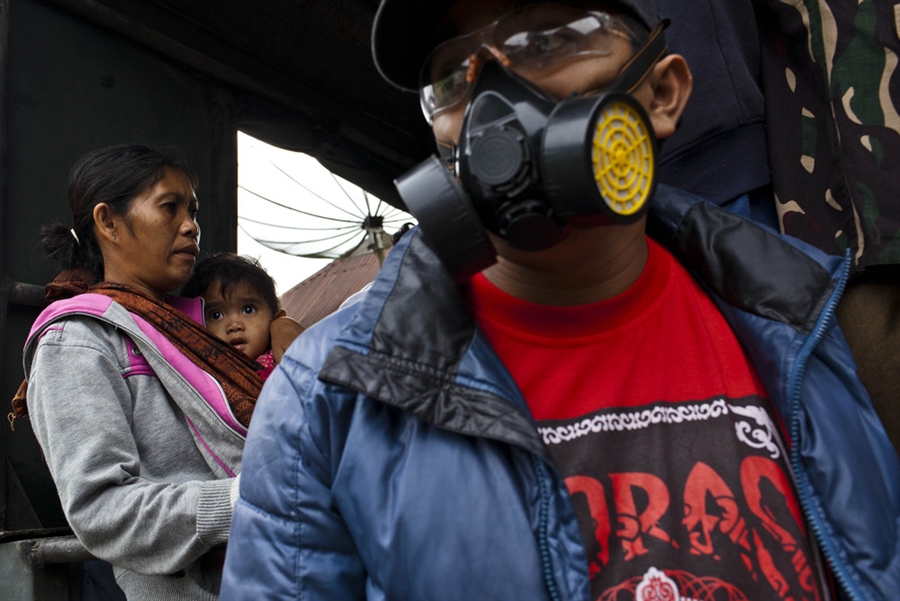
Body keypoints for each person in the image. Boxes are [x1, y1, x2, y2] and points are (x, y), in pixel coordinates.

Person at [222, 1, 900, 600]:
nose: (492, 97)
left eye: (547, 40)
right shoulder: (324, 395)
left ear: (662, 93)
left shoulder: (802, 319)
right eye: (454, 75)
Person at [12, 144, 261, 599]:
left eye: (193, 210)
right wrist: (247, 499)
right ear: (108, 222)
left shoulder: (196, 328)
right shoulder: (79, 341)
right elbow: (102, 511)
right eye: (170, 207)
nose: (191, 225)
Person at [182, 252, 299, 381]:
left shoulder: (284, 359)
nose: (234, 325)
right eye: (216, 315)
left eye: (248, 310)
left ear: (274, 318)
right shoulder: (203, 376)